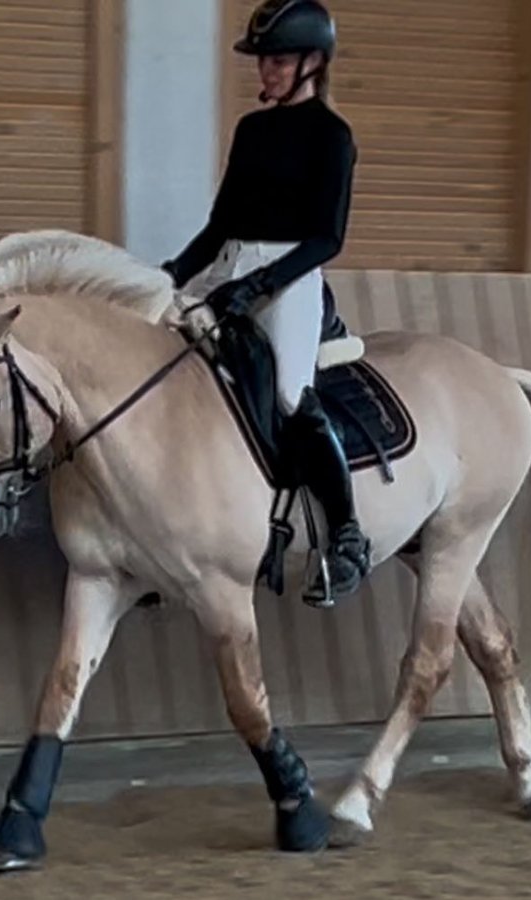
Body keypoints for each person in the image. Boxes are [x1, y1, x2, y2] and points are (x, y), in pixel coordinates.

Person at [161, 0, 370, 604]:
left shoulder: (333, 137)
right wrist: (174, 273)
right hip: (230, 264)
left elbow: (328, 237)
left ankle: (347, 534)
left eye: (277, 61)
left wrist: (260, 286)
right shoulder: (253, 130)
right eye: (263, 62)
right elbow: (220, 223)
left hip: (292, 276)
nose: (266, 73)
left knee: (289, 394)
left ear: (312, 62)